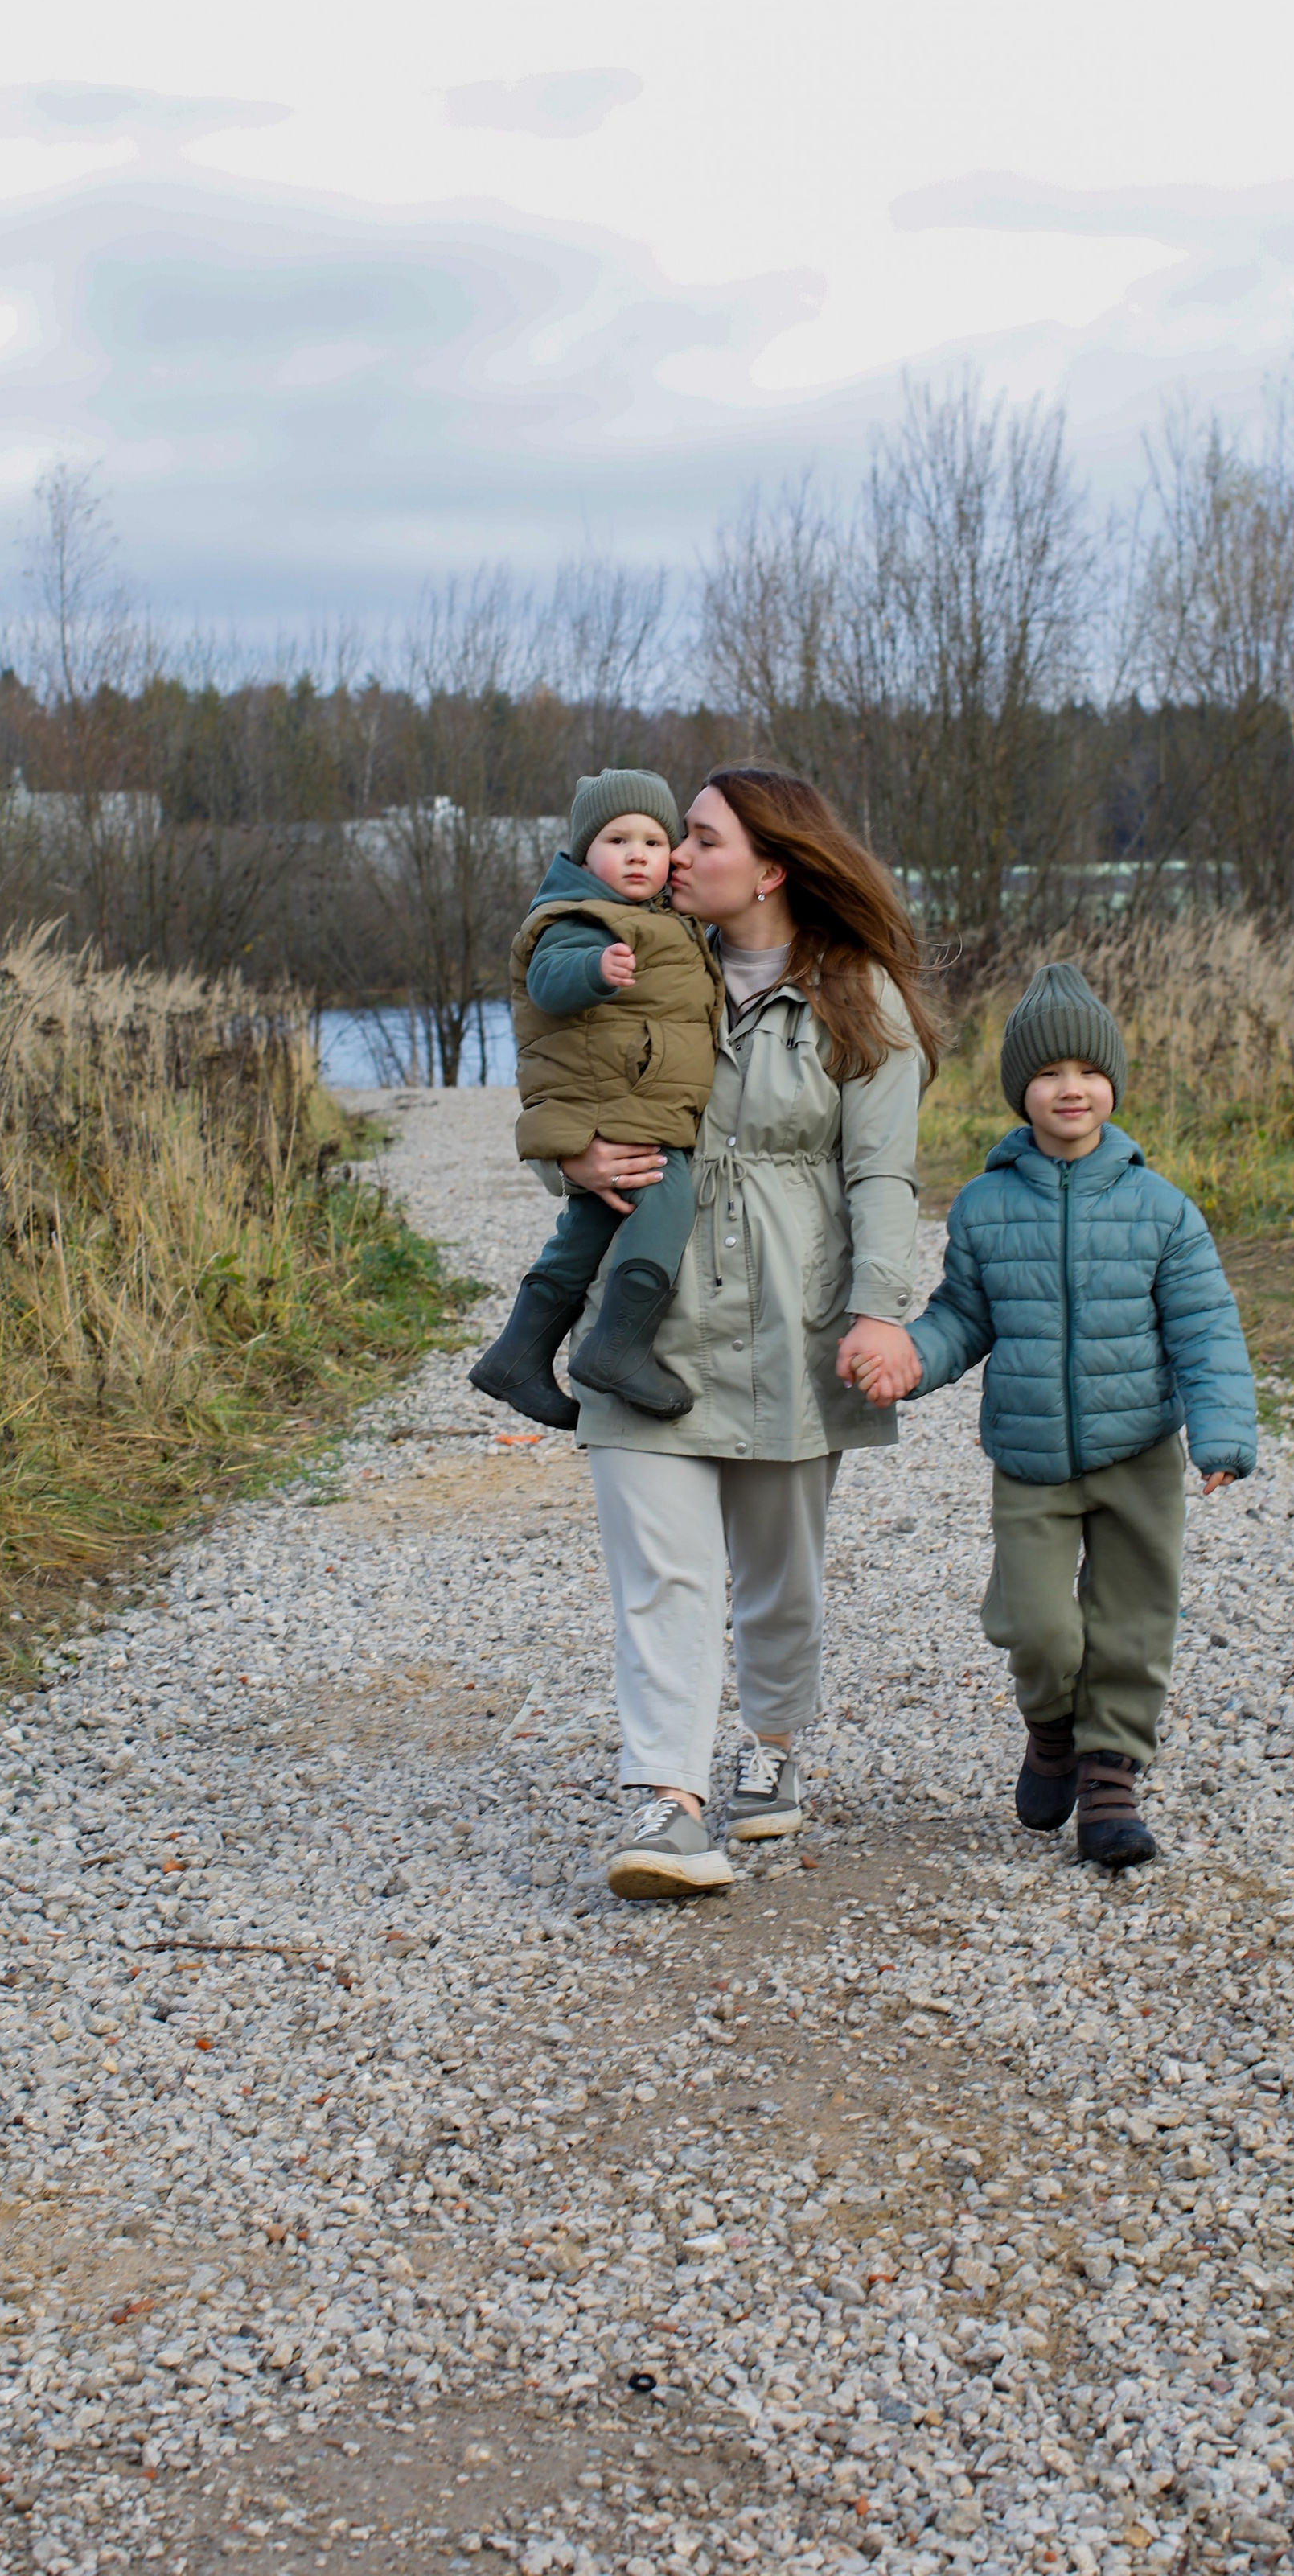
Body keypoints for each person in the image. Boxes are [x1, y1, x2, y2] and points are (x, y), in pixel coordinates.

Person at [543, 765, 940, 1902]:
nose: (672, 856)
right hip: (645, 1310)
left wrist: (880, 1312)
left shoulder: (863, 1001)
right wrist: (566, 1154)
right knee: (663, 1574)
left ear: (770, 867)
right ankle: (666, 1800)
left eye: (700, 840)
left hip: (790, 1322)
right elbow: (556, 1080)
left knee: (780, 1574)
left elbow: (880, 1174)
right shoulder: (633, 967)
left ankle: (769, 1739)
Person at [850, 961, 1255, 1870]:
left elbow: (1204, 1328)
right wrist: (910, 1357)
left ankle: (1110, 1784)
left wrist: (1221, 1431)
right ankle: (1051, 1730)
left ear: (1112, 1082)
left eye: (1087, 1071)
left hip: (1137, 1451)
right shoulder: (988, 1207)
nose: (1070, 1089)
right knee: (1038, 1624)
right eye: (1047, 1074)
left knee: (1131, 1622)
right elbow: (965, 1316)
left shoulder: (1161, 1210)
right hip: (1031, 1456)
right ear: (1018, 1092)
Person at [470, 771, 724, 1429]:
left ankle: (517, 1355)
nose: (638, 853)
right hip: (615, 1108)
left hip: (622, 1104)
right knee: (666, 1201)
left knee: (584, 1233)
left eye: (653, 840)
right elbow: (549, 983)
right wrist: (595, 971)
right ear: (585, 855)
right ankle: (618, 1349)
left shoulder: (661, 920)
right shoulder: (579, 918)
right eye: (617, 839)